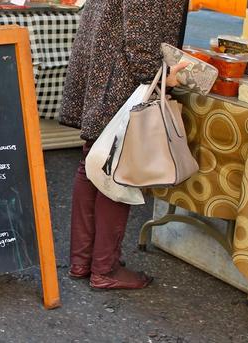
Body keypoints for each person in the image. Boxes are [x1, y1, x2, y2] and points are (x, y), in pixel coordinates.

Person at [59, 0, 190, 290]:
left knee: (94, 160)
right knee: (117, 166)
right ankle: (104, 269)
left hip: (104, 62)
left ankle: (82, 262)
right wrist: (163, 77)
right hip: (118, 74)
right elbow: (141, 40)